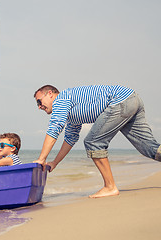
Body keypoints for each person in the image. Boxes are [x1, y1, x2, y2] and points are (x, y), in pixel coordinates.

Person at [33, 84, 161, 198]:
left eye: (39, 101)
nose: (39, 107)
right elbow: (70, 140)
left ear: (50, 94)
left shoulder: (61, 100)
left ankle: (110, 187)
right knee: (149, 148)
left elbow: (55, 127)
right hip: (132, 98)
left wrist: (41, 159)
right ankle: (110, 186)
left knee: (93, 142)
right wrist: (55, 162)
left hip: (119, 100)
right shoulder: (71, 114)